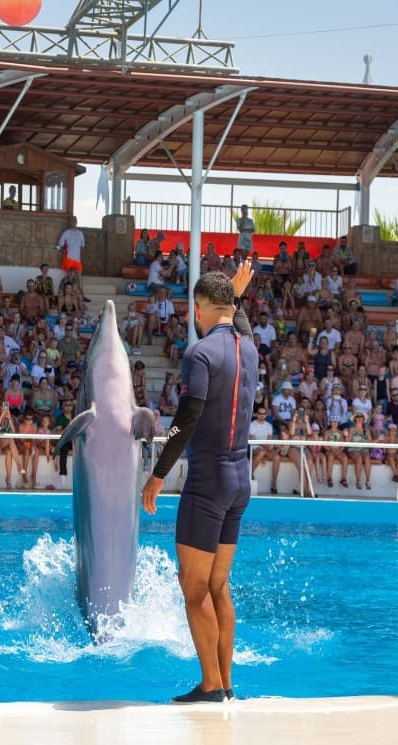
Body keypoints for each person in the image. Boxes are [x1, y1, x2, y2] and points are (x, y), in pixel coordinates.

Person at [141, 265, 257, 704]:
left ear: (199, 309)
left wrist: (157, 474)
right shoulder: (250, 351)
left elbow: (186, 419)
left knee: (193, 588)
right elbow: (238, 325)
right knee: (217, 586)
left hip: (207, 482)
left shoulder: (200, 353)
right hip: (239, 481)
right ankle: (226, 684)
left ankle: (210, 685)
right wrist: (236, 299)